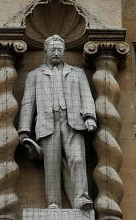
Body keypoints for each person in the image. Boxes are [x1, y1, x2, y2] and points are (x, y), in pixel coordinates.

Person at [18, 34, 97, 210]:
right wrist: (24, 130)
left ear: (64, 51)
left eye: (59, 49)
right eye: (52, 49)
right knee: (52, 165)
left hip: (73, 123)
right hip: (47, 123)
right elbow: (27, 103)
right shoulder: (34, 75)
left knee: (77, 159)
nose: (56, 52)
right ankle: (54, 203)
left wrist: (90, 117)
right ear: (45, 51)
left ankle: (82, 197)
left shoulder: (77, 73)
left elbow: (86, 97)